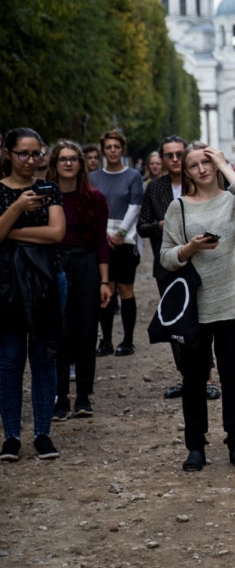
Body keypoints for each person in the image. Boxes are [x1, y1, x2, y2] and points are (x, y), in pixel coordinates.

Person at [159, 141, 235, 472]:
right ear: (185, 172)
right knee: (193, 378)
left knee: (233, 375)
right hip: (195, 308)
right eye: (194, 165)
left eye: (207, 162)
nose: (201, 169)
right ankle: (196, 446)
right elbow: (166, 257)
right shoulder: (179, 208)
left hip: (232, 302)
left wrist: (224, 163)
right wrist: (189, 249)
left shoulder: (233, 202)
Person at [0, 128, 66, 461]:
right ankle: (11, 435)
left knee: (44, 359)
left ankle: (43, 433)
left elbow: (56, 233)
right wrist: (17, 208)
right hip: (6, 285)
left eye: (36, 153)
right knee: (9, 362)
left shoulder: (48, 188)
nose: (30, 160)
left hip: (47, 282)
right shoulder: (1, 191)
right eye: (23, 153)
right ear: (8, 154)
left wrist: (12, 231)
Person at [138, 135, 220, 401]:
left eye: (178, 154)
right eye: (168, 155)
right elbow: (142, 225)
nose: (173, 159)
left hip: (203, 262)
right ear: (161, 159)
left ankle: (207, 378)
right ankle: (186, 377)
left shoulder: (200, 182)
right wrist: (161, 226)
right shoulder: (155, 188)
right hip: (169, 265)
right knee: (176, 323)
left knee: (203, 321)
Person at [47, 140, 112, 420]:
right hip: (56, 264)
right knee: (59, 332)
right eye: (63, 159)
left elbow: (101, 240)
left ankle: (84, 396)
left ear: (81, 164)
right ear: (55, 164)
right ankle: (60, 396)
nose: (69, 163)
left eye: (73, 158)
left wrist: (105, 280)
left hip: (86, 264)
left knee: (86, 331)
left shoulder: (94, 198)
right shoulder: (46, 197)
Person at [90, 130, 144, 357]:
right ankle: (107, 340)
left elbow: (136, 205)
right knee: (106, 289)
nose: (113, 151)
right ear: (103, 150)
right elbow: (92, 208)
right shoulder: (93, 177)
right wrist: (103, 235)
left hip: (125, 237)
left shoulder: (132, 176)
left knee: (125, 289)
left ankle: (128, 340)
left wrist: (120, 232)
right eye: (109, 147)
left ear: (122, 150)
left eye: (116, 147)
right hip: (102, 239)